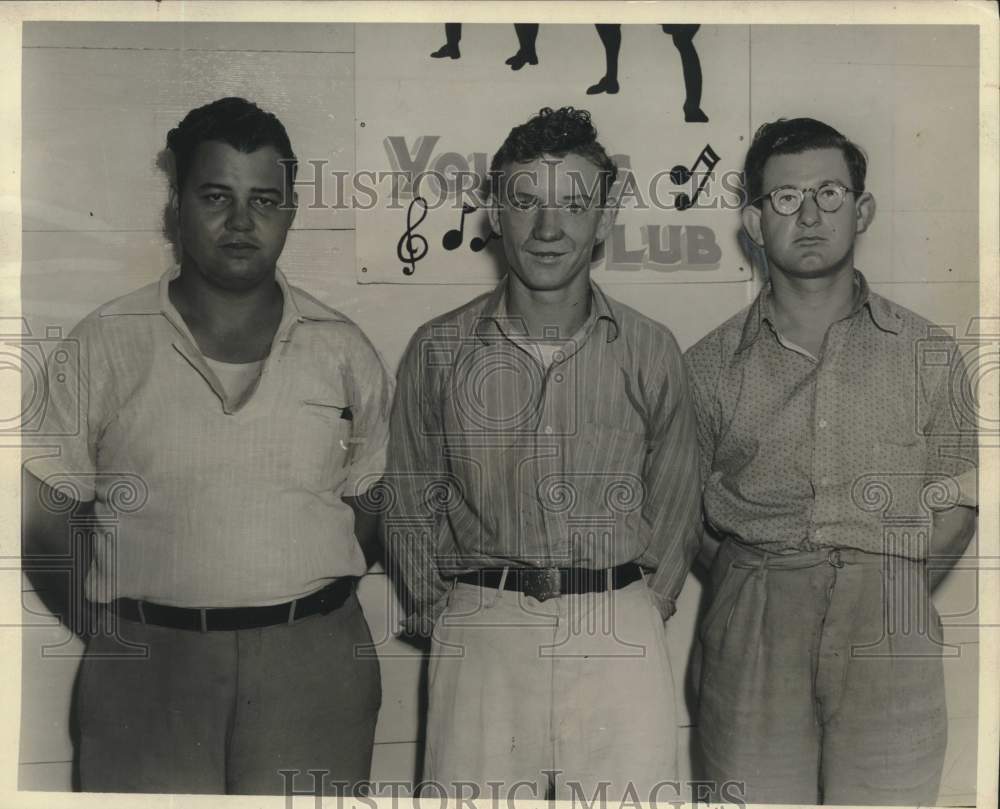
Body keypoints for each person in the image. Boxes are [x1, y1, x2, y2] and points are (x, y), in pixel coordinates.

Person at [21, 97, 392, 795]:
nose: (242, 222)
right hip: (145, 662)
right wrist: (122, 630)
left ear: (291, 211)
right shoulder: (105, 342)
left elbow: (371, 499)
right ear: (177, 206)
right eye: (216, 195)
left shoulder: (342, 347)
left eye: (265, 200)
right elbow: (44, 518)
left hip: (312, 660)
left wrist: (286, 589)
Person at [385, 106, 701, 800]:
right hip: (483, 629)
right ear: (495, 214)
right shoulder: (439, 349)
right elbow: (408, 499)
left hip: (617, 628)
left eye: (572, 204)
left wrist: (641, 603)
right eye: (525, 202)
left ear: (605, 216)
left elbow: (678, 499)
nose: (548, 227)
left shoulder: (651, 349)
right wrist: (455, 611)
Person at [685, 117, 978, 805]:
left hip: (890, 634)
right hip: (753, 624)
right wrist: (756, 587)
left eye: (829, 193)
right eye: (785, 198)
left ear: (862, 209)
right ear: (754, 221)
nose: (810, 214)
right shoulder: (705, 367)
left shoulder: (928, 352)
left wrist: (887, 583)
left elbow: (958, 506)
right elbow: (685, 516)